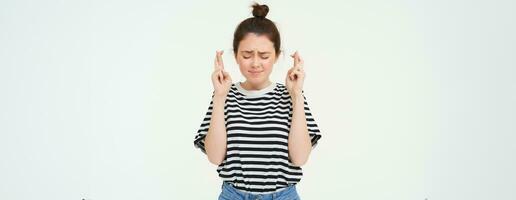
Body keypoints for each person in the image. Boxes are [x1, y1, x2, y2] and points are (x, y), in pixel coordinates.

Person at [194, 3, 322, 200]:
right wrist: (219, 96)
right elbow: (214, 157)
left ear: (277, 56)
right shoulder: (224, 95)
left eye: (264, 56)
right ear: (236, 55)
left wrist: (296, 95)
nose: (255, 63)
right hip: (233, 195)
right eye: (246, 55)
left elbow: (300, 158)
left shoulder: (291, 95)